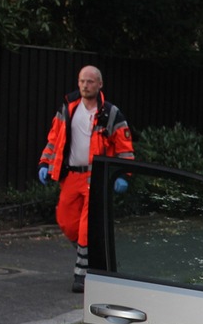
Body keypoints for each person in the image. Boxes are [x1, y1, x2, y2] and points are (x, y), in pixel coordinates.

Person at [38, 65, 135, 292]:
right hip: (71, 175)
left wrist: (124, 175)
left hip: (96, 177)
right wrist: (44, 163)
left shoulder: (111, 114)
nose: (85, 85)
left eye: (90, 82)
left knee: (85, 227)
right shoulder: (68, 108)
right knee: (66, 221)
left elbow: (124, 148)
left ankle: (82, 276)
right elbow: (54, 139)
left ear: (99, 84)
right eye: (82, 81)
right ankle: (93, 257)